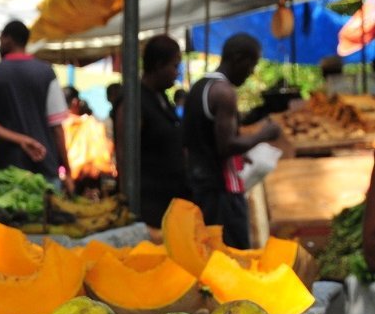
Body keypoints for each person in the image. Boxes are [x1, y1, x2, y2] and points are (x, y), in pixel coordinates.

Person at [182, 33, 280, 249]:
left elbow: (200, 139)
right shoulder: (224, 93)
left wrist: (241, 154)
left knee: (207, 253)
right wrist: (264, 133)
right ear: (237, 58)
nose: (251, 72)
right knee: (234, 255)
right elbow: (226, 145)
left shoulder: (199, 88)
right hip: (222, 191)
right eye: (251, 64)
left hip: (199, 185)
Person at [0, 20, 73, 194]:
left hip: (6, 171)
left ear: (7, 39)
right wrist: (68, 171)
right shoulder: (46, 73)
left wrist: (20, 139)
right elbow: (57, 127)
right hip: (44, 169)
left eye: (1, 39)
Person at [114, 35, 189, 229]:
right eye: (174, 66)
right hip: (148, 205)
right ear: (158, 65)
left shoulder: (162, 97)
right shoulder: (134, 100)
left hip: (170, 199)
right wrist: (128, 200)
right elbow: (124, 153)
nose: (177, 73)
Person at [61, 85, 114, 194]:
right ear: (75, 102)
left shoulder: (61, 124)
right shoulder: (88, 123)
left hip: (70, 175)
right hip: (82, 175)